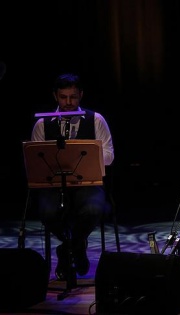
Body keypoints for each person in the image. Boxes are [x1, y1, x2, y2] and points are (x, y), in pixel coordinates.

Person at [31, 73, 115, 280]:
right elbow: (35, 160)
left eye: (73, 97)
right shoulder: (42, 123)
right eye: (63, 97)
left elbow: (110, 156)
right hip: (53, 185)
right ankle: (75, 246)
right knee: (48, 212)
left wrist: (82, 152)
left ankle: (68, 248)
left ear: (81, 95)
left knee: (94, 209)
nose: (68, 102)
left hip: (87, 182)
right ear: (55, 96)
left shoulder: (96, 120)